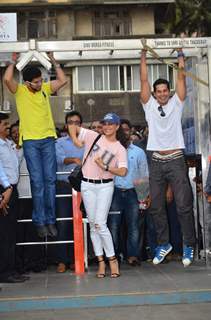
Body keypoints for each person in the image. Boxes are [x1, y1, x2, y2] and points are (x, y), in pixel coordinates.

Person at [140, 47, 196, 267]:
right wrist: (143, 56)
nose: (162, 93)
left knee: (183, 205)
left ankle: (189, 245)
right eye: (159, 91)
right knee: (156, 206)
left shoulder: (177, 103)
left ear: (169, 92)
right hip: (155, 160)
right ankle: (164, 244)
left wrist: (180, 57)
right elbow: (144, 80)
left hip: (175, 159)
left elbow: (181, 78)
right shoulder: (148, 105)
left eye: (165, 90)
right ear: (154, 93)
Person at [4, 52, 67, 238]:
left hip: (48, 138)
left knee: (50, 182)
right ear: (27, 83)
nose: (40, 84)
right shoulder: (20, 92)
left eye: (41, 81)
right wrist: (13, 62)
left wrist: (54, 61)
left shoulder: (45, 89)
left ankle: (50, 220)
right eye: (36, 82)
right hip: (30, 141)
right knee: (37, 183)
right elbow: (7, 78)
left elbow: (62, 80)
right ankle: (39, 221)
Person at [68, 112, 128, 278]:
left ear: (117, 126)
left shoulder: (119, 148)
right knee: (94, 224)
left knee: (100, 224)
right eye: (105, 123)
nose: (107, 127)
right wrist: (76, 141)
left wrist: (106, 167)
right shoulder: (93, 136)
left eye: (111, 124)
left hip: (105, 187)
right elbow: (72, 126)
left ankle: (112, 260)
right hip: (87, 184)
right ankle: (101, 262)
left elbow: (123, 171)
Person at [108, 119, 149, 266]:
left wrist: (143, 196)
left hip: (133, 193)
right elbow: (103, 170)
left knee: (134, 226)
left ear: (130, 131)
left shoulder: (138, 152)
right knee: (113, 226)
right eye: (121, 130)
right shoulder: (111, 151)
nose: (124, 133)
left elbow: (144, 175)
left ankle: (133, 256)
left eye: (126, 130)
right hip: (114, 192)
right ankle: (113, 257)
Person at [0, 113, 29, 283]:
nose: (8, 127)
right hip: (4, 190)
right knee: (4, 233)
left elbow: (16, 163)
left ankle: (10, 269)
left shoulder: (8, 143)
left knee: (11, 233)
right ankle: (4, 272)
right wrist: (7, 187)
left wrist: (19, 146)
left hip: (12, 189)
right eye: (4, 124)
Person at [55, 111, 84, 273]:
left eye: (77, 122)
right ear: (66, 125)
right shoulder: (59, 142)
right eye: (71, 122)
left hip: (83, 186)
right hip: (64, 186)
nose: (74, 124)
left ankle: (77, 258)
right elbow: (60, 160)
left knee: (81, 222)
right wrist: (74, 160)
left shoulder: (87, 141)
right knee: (64, 223)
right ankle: (62, 260)